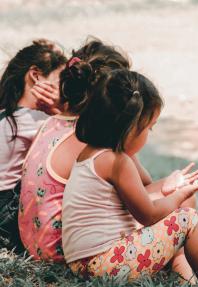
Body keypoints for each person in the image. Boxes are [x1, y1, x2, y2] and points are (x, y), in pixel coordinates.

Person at [62, 69, 198, 286]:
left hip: (84, 263)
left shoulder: (93, 153)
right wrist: (180, 195)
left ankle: (184, 279)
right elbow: (148, 215)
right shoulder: (117, 162)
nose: (150, 134)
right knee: (189, 219)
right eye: (149, 128)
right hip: (104, 264)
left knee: (181, 208)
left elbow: (143, 191)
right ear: (130, 128)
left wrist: (169, 188)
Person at [18, 39, 131, 262]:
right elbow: (138, 196)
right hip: (64, 250)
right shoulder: (89, 140)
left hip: (34, 244)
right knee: (179, 206)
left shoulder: (49, 123)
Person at [0, 39, 66, 252]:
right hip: (6, 214)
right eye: (60, 80)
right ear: (36, 75)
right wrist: (60, 111)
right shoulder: (37, 121)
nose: (63, 91)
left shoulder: (6, 114)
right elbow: (77, 138)